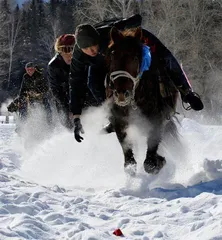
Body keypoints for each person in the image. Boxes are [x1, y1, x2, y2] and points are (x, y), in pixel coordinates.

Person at [69, 14, 204, 142]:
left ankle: (187, 93)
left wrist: (130, 22)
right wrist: (76, 118)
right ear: (80, 49)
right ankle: (113, 116)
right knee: (92, 82)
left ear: (98, 39)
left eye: (93, 46)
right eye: (86, 49)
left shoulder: (111, 32)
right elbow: (75, 84)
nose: (91, 51)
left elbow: (137, 19)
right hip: (108, 59)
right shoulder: (78, 56)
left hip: (133, 42)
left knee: (165, 57)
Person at [47, 34, 75, 129]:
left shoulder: (83, 62)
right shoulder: (53, 66)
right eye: (65, 51)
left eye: (73, 50)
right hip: (64, 101)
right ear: (59, 50)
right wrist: (68, 110)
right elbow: (56, 91)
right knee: (68, 124)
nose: (69, 54)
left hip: (83, 99)